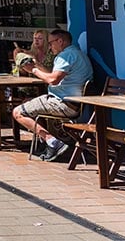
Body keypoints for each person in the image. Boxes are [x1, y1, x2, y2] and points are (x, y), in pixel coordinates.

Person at [12, 28, 93, 162]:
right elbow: (51, 73)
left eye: (51, 43)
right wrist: (36, 65)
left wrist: (33, 70)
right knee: (31, 103)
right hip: (75, 104)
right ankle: (48, 143)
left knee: (18, 112)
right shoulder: (76, 53)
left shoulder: (65, 56)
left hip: (63, 103)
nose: (49, 47)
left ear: (60, 41)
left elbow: (52, 80)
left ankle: (52, 142)